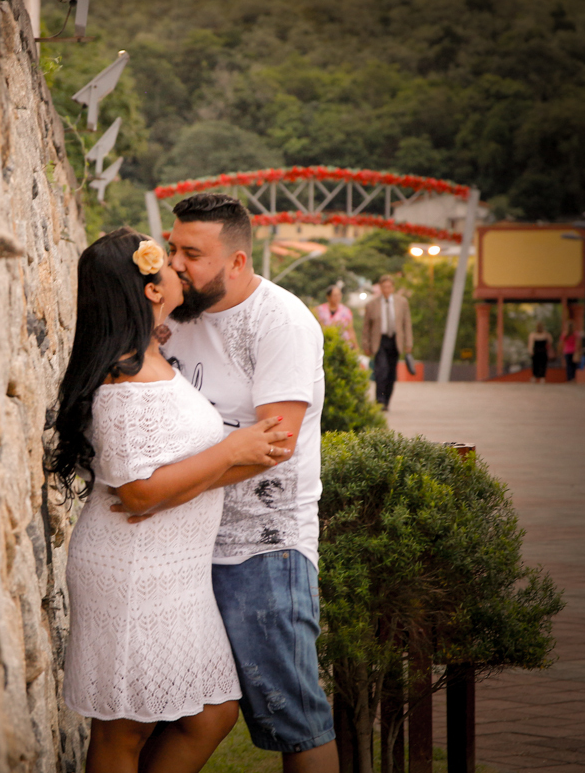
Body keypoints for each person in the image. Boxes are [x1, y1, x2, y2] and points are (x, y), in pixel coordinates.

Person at [48, 227, 294, 773]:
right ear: (151, 289)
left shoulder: (148, 354)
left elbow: (164, 481)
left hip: (173, 569)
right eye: (167, 262)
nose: (179, 268)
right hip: (136, 569)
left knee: (211, 713)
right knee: (124, 729)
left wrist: (233, 458)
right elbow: (138, 493)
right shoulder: (123, 376)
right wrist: (233, 448)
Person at [144, 193, 339, 771]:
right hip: (177, 543)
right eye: (172, 247)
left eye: (192, 254)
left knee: (294, 721)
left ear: (236, 261)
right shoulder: (173, 317)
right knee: (173, 708)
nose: (175, 263)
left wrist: (170, 486)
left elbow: (274, 445)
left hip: (262, 549)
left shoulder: (280, 323)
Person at [362, 274, 413, 411]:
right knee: (381, 371)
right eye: (384, 287)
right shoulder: (372, 304)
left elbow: (406, 323)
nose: (386, 289)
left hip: (395, 341)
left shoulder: (402, 302)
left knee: (391, 373)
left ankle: (387, 401)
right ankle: (380, 400)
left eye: (389, 287)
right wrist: (365, 344)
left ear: (393, 288)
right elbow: (366, 326)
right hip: (379, 341)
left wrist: (409, 343)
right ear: (380, 288)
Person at [315, 284, 357, 349]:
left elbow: (350, 329)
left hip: (343, 344)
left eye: (339, 295)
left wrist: (355, 345)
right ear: (328, 297)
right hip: (326, 344)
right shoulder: (319, 310)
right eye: (334, 295)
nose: (337, 297)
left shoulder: (346, 311)